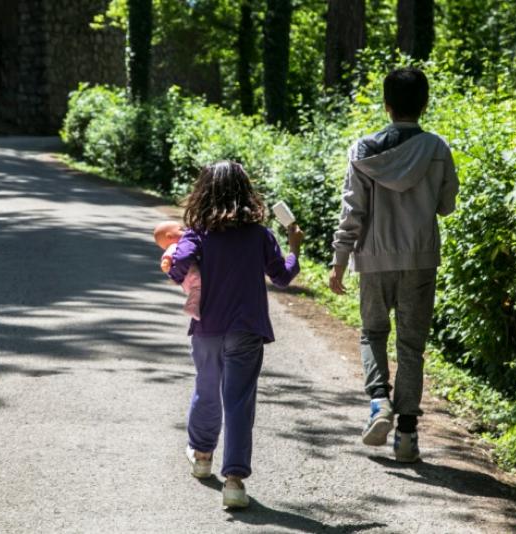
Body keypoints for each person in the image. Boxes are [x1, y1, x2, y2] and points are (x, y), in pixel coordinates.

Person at [328, 67, 459, 463]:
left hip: (372, 259)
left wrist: (339, 261)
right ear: (424, 104)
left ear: (386, 106)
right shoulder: (437, 149)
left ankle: (378, 403)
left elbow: (352, 212)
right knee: (412, 345)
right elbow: (447, 206)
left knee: (372, 333)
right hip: (419, 260)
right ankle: (406, 436)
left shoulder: (363, 151)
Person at [167, 161, 304, 508]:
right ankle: (234, 481)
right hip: (246, 327)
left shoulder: (198, 233)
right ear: (246, 193)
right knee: (239, 401)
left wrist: (182, 265)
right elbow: (283, 277)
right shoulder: (260, 235)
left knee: (206, 387)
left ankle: (201, 457)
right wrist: (294, 247)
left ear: (205, 192)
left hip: (207, 325)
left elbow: (179, 264)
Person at [153, 220, 202, 320]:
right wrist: (166, 261)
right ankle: (192, 308)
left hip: (188, 274)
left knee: (197, 290)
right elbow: (168, 255)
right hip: (190, 274)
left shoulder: (180, 245)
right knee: (198, 287)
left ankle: (195, 306)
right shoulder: (174, 246)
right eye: (181, 229)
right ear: (170, 236)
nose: (185, 231)